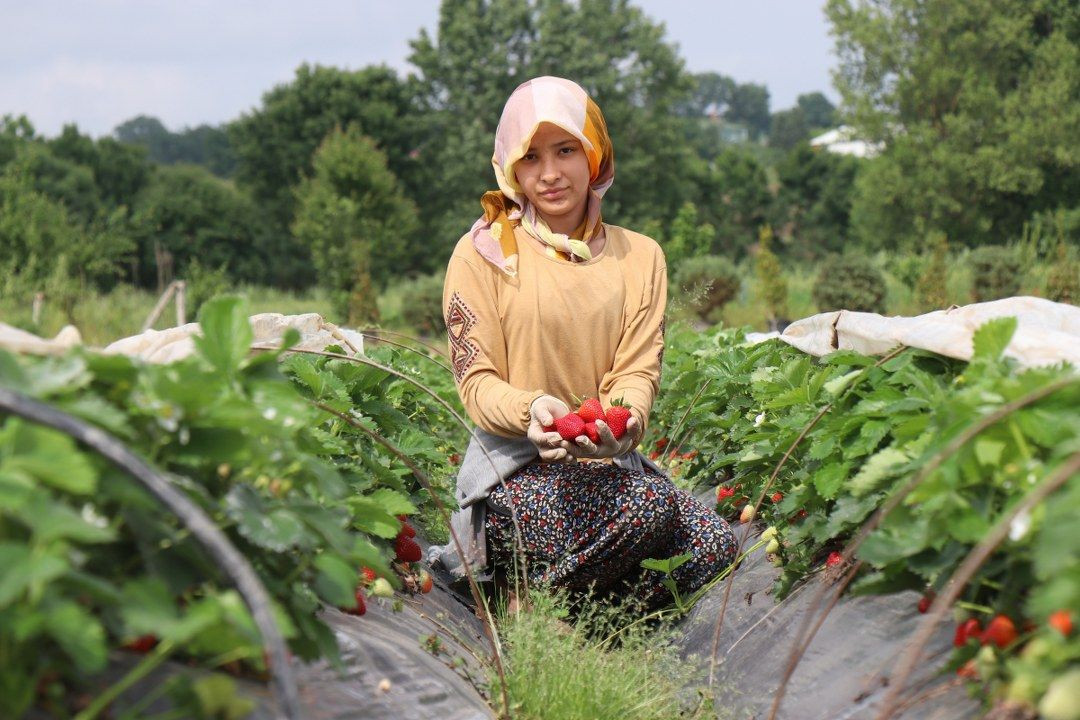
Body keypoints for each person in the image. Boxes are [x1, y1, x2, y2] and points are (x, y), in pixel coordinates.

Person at [436, 76, 736, 610]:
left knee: (714, 547)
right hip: (516, 472)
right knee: (648, 510)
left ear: (593, 154)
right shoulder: (482, 253)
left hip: (607, 469)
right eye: (531, 158)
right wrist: (532, 410)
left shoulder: (640, 257)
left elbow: (635, 372)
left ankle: (561, 604)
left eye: (566, 150)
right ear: (511, 169)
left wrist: (622, 426)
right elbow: (476, 381)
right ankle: (532, 602)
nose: (549, 174)